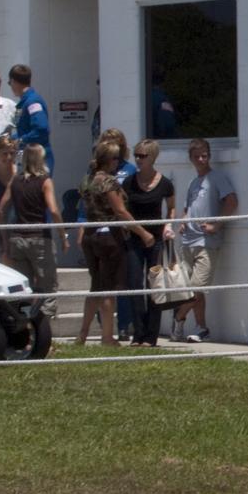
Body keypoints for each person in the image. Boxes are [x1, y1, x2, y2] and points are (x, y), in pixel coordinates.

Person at [77, 141, 153, 346]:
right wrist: (143, 232)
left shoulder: (87, 180)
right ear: (108, 160)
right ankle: (107, 337)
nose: (117, 162)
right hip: (109, 238)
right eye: (115, 158)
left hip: (90, 236)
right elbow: (120, 211)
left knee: (95, 287)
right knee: (109, 288)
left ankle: (82, 335)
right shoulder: (108, 182)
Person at [171, 138, 237, 343]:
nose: (201, 159)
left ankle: (179, 318)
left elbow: (232, 201)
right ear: (190, 158)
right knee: (188, 288)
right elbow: (187, 207)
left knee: (196, 287)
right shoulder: (193, 182)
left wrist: (216, 225)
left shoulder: (217, 178)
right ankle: (201, 328)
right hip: (187, 242)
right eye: (197, 156)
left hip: (207, 242)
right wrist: (182, 222)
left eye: (205, 155)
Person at [0, 144, 69, 320]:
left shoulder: (15, 180)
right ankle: (45, 331)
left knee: (24, 288)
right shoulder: (45, 181)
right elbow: (53, 210)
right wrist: (62, 235)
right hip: (39, 239)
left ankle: (28, 330)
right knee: (48, 287)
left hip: (17, 239)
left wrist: (5, 240)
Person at [123, 138, 176, 347]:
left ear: (152, 157)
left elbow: (171, 207)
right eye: (136, 155)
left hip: (156, 240)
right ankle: (138, 333)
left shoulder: (165, 183)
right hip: (135, 239)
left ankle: (151, 336)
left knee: (154, 285)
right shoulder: (129, 182)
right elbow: (124, 209)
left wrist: (168, 225)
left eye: (142, 156)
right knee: (135, 284)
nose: (138, 159)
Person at [8, 64, 54, 173]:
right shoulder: (27, 102)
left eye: (10, 83)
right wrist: (12, 139)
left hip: (38, 161)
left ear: (13, 81)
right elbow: (25, 130)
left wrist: (21, 140)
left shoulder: (33, 102)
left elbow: (41, 129)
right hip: (30, 159)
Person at [0, 135, 19, 265]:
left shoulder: (19, 173)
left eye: (12, 153)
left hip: (19, 228)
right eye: (4, 153)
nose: (8, 157)